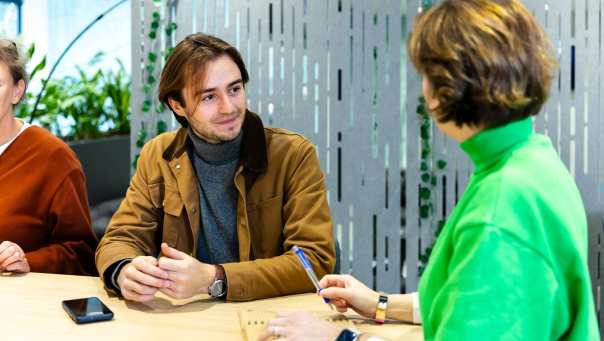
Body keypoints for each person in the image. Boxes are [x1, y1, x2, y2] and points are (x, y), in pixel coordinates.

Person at [260, 0, 600, 340]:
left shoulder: (501, 209)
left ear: (450, 85)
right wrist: (380, 304)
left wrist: (339, 338)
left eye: (425, 75)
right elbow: (474, 298)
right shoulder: (532, 160)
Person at [95, 33, 335, 302]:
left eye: (235, 89)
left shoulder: (293, 154)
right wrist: (124, 270)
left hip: (268, 318)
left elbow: (314, 259)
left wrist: (214, 278)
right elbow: (120, 238)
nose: (229, 107)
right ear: (178, 105)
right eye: (209, 97)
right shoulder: (158, 155)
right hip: (188, 318)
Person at [0, 39, 98, 275]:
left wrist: (26, 262)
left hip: (23, 302)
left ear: (17, 91)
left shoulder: (54, 157)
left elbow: (81, 253)